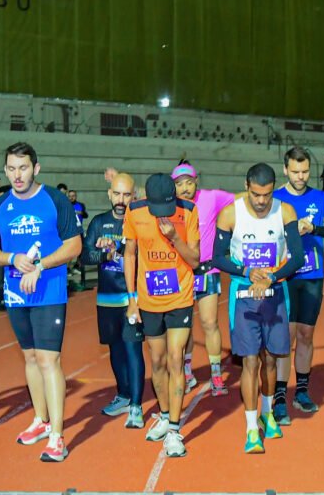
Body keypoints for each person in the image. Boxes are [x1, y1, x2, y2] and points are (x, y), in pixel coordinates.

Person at [0, 142, 82, 462]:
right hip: (14, 292)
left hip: (49, 290)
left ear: (36, 168)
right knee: (29, 358)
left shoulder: (54, 200)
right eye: (11, 168)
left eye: (23, 168)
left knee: (49, 360)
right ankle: (41, 420)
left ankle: (57, 437)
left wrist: (40, 266)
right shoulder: (0, 207)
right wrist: (13, 258)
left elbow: (74, 245)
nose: (17, 175)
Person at [211, 163, 304, 453]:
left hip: (275, 293)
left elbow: (298, 257)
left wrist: (273, 277)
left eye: (266, 195)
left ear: (273, 189)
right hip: (244, 295)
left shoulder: (285, 211)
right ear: (246, 186)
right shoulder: (230, 214)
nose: (261, 201)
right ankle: (252, 428)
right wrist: (247, 270)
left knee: (272, 359)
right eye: (256, 194)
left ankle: (267, 411)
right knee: (250, 361)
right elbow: (218, 258)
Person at [124, 173, 200, 458]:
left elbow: (194, 259)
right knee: (157, 361)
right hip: (148, 299)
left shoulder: (189, 211)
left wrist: (174, 238)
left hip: (180, 296)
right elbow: (130, 254)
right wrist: (132, 298)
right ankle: (166, 415)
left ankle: (174, 431)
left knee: (175, 358)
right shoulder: (134, 212)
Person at [272, 147, 324, 423]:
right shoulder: (276, 198)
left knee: (306, 335)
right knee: (285, 337)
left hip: (312, 276)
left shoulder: (321, 198)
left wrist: (313, 228)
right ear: (285, 170)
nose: (300, 177)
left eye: (305, 172)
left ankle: (301, 391)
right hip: (285, 276)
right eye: (295, 172)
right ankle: (279, 395)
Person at [80, 172, 145, 428]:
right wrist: (103, 255)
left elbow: (141, 256)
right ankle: (124, 395)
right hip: (106, 300)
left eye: (126, 194)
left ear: (134, 195)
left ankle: (137, 406)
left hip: (131, 298)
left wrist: (117, 249)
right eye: (117, 194)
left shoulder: (139, 221)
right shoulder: (98, 222)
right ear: (109, 194)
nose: (121, 199)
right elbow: (84, 256)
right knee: (115, 351)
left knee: (132, 349)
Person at [171, 160, 234, 396]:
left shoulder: (212, 197)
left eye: (189, 182)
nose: (185, 188)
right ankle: (187, 373)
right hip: (181, 274)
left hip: (207, 271)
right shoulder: (172, 206)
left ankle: (216, 375)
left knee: (209, 323)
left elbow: (240, 200)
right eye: (179, 184)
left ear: (196, 181)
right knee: (183, 327)